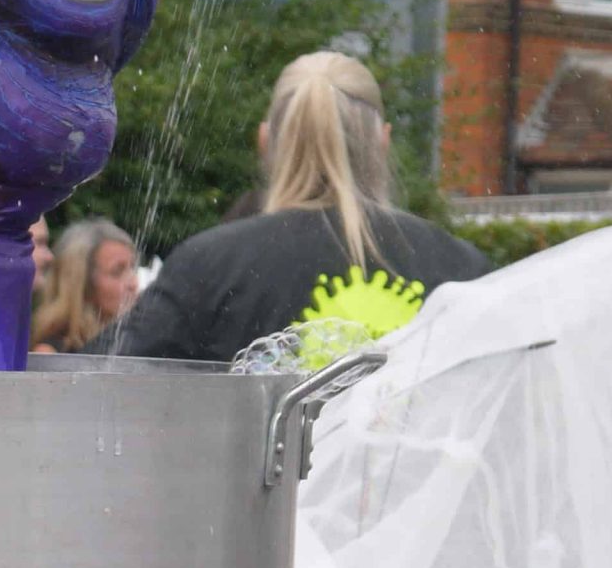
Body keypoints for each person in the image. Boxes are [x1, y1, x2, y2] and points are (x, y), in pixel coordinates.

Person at [94, 50, 489, 362]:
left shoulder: (209, 266)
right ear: (383, 141)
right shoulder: (461, 269)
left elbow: (102, 379)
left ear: (265, 141)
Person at [29, 217, 139, 352]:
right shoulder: (50, 353)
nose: (133, 283)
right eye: (117, 272)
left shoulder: (126, 341)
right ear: (82, 284)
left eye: (132, 269)